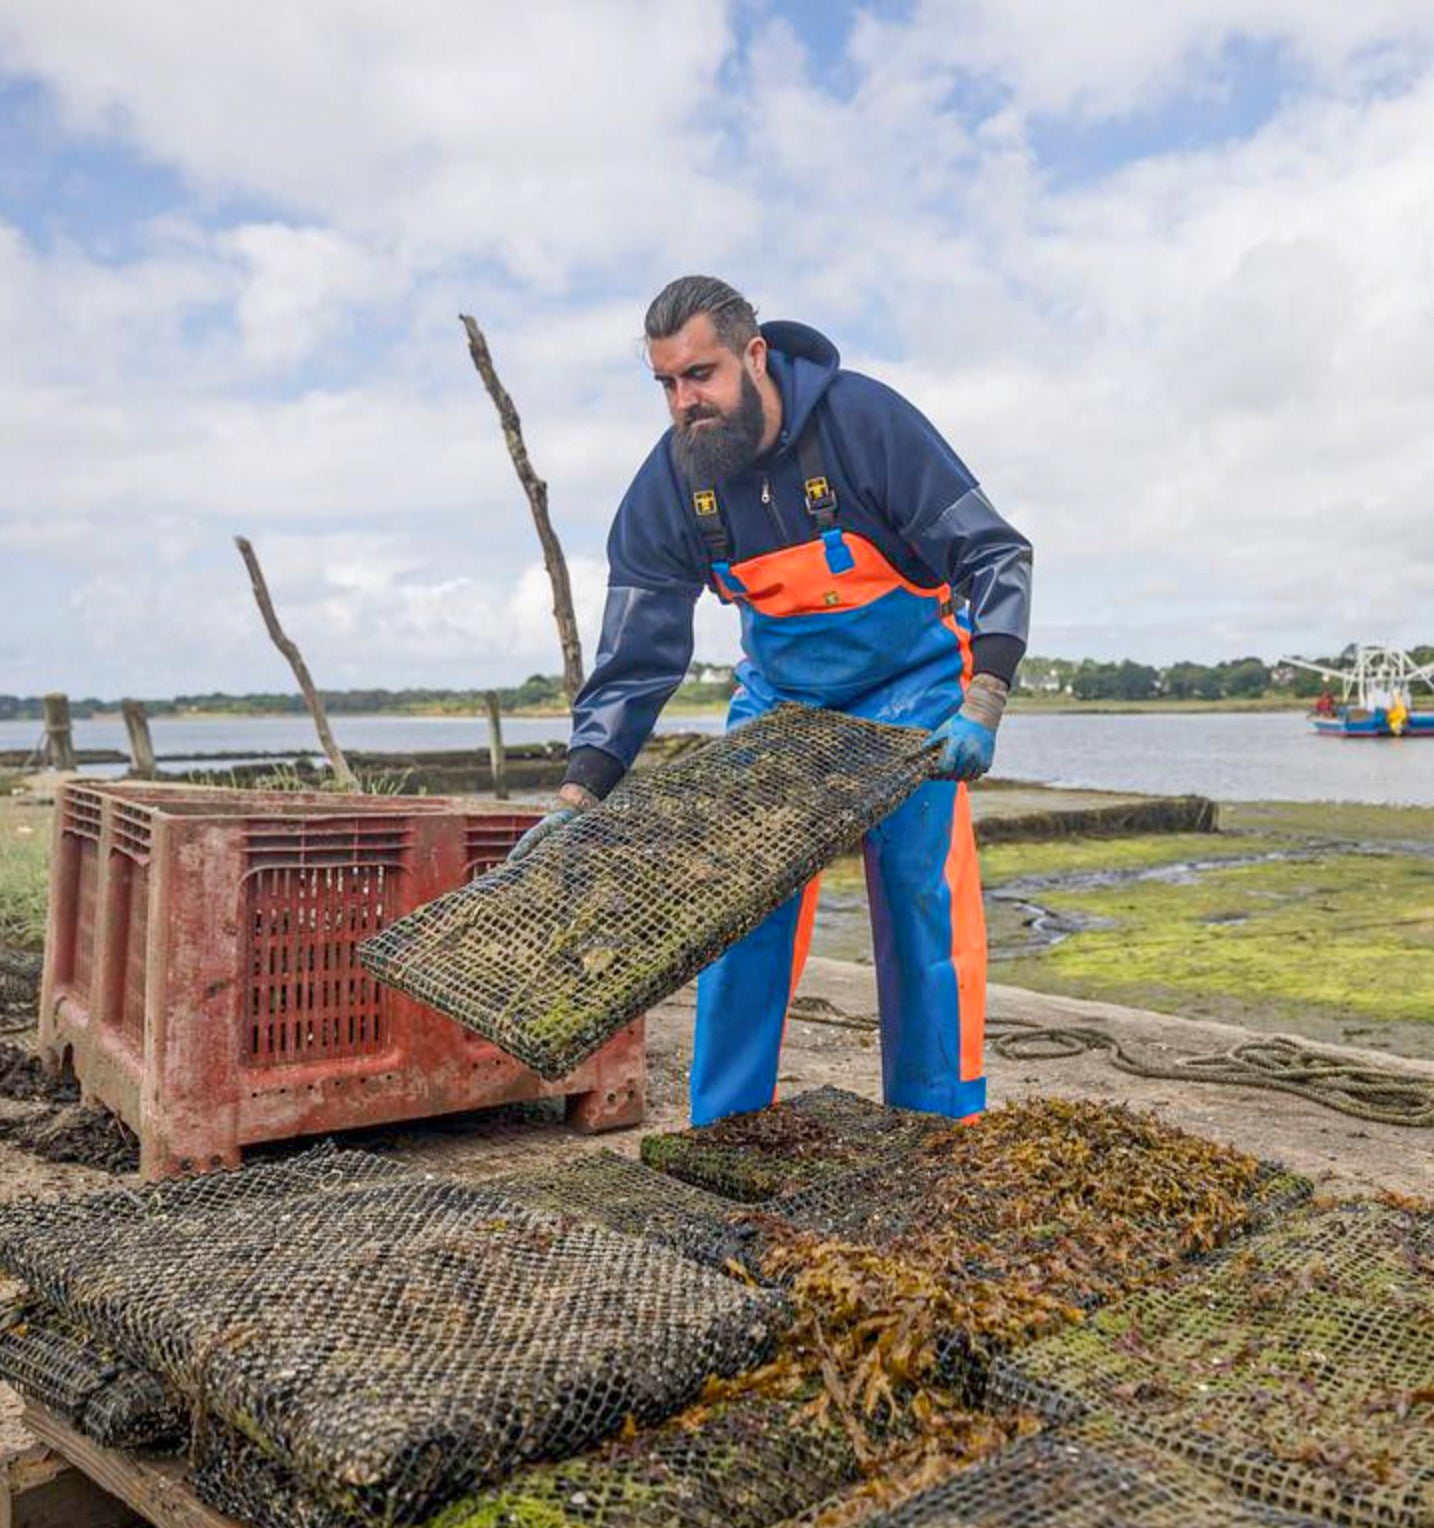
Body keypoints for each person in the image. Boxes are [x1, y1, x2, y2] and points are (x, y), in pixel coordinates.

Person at [514, 275, 1033, 1127]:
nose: (687, 402)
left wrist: (983, 700)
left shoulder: (865, 423)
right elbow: (637, 648)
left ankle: (939, 1129)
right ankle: (725, 1128)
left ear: (754, 355)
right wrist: (583, 787)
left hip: (913, 698)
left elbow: (996, 556)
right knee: (739, 911)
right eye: (668, 385)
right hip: (779, 707)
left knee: (919, 912)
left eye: (702, 374)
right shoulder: (676, 483)